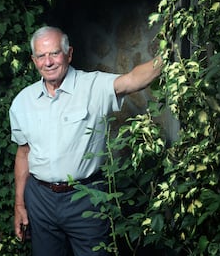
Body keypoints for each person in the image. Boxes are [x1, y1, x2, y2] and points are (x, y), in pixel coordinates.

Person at [9, 26, 162, 256]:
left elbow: (132, 80)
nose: (48, 62)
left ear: (69, 54)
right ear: (33, 60)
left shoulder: (94, 86)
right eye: (41, 56)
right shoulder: (23, 101)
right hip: (39, 200)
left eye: (54, 53)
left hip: (86, 197)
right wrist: (20, 205)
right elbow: (23, 154)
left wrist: (168, 56)